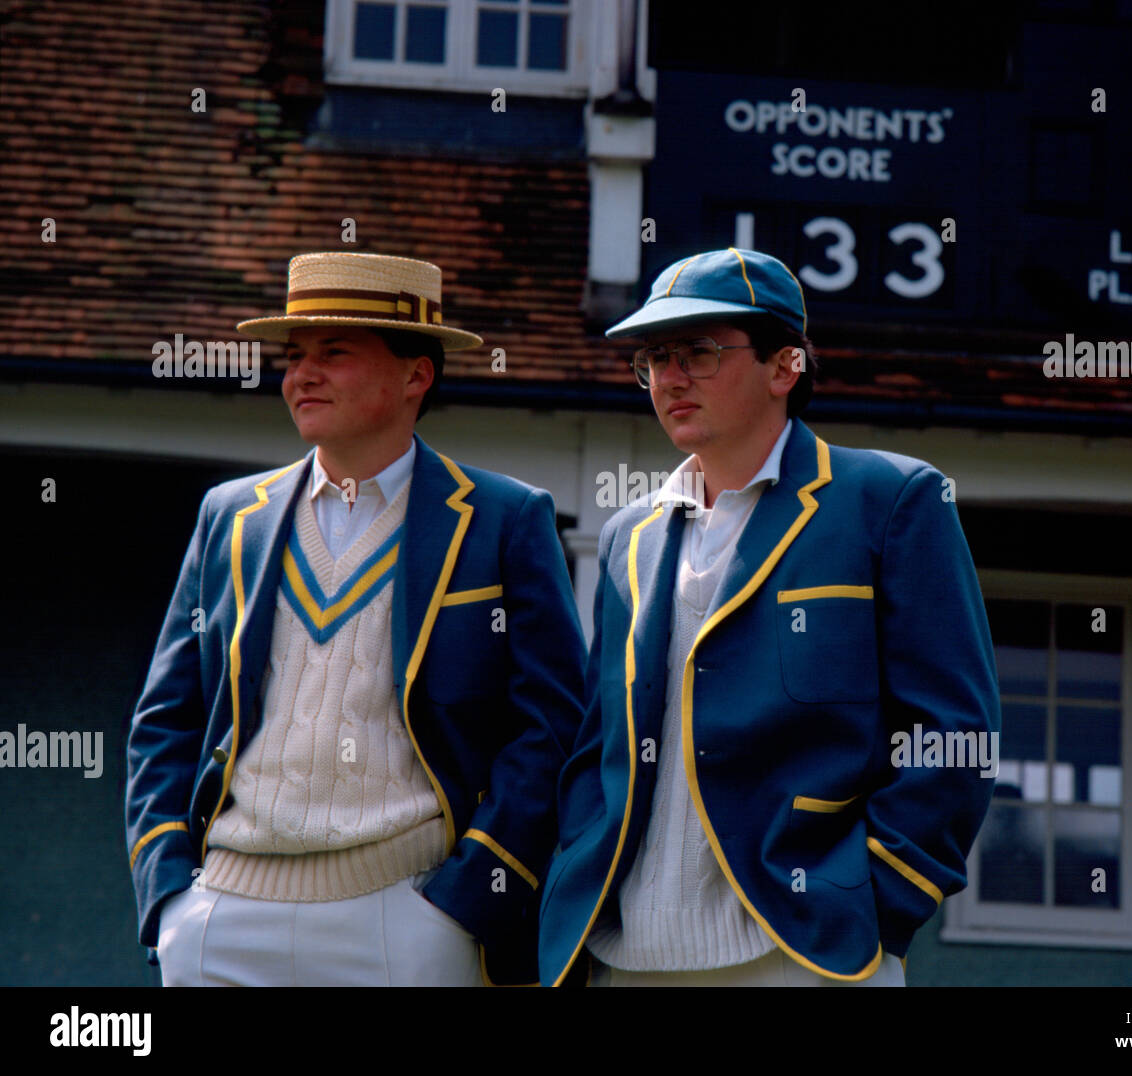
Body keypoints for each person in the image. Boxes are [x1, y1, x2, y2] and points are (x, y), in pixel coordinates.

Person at [538, 248, 1000, 986]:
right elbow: (600, 749)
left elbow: (955, 737)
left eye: (698, 351)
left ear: (786, 366)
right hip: (623, 959)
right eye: (654, 356)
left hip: (807, 953)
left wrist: (880, 897)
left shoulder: (891, 498)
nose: (670, 376)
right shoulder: (630, 535)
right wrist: (577, 881)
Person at [125, 251, 586, 986]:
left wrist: (464, 901)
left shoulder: (505, 519)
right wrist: (169, 893)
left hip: (407, 918)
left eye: (333, 353)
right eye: (294, 355)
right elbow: (166, 720)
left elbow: (553, 725)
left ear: (416, 375)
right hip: (221, 918)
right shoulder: (229, 517)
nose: (302, 374)